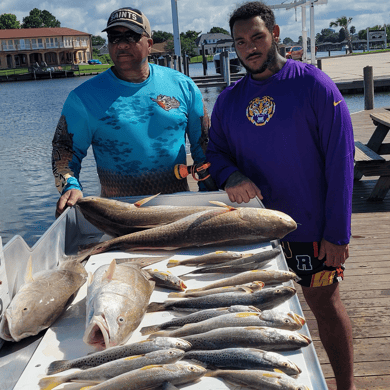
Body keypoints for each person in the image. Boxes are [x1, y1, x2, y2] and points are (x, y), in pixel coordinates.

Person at [206, 2, 356, 390]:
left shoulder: (313, 85)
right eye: (240, 42)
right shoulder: (228, 101)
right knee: (256, 315)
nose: (249, 47)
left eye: (256, 36)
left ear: (274, 33)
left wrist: (337, 233)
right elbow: (215, 154)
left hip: (311, 228)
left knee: (324, 306)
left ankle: (347, 386)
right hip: (254, 231)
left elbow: (341, 160)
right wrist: (232, 175)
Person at [52, 6, 210, 217]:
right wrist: (70, 186)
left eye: (131, 36)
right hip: (119, 218)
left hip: (178, 212)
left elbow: (205, 148)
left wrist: (211, 195)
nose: (122, 44)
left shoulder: (184, 86)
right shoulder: (83, 98)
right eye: (114, 38)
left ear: (149, 44)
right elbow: (64, 151)